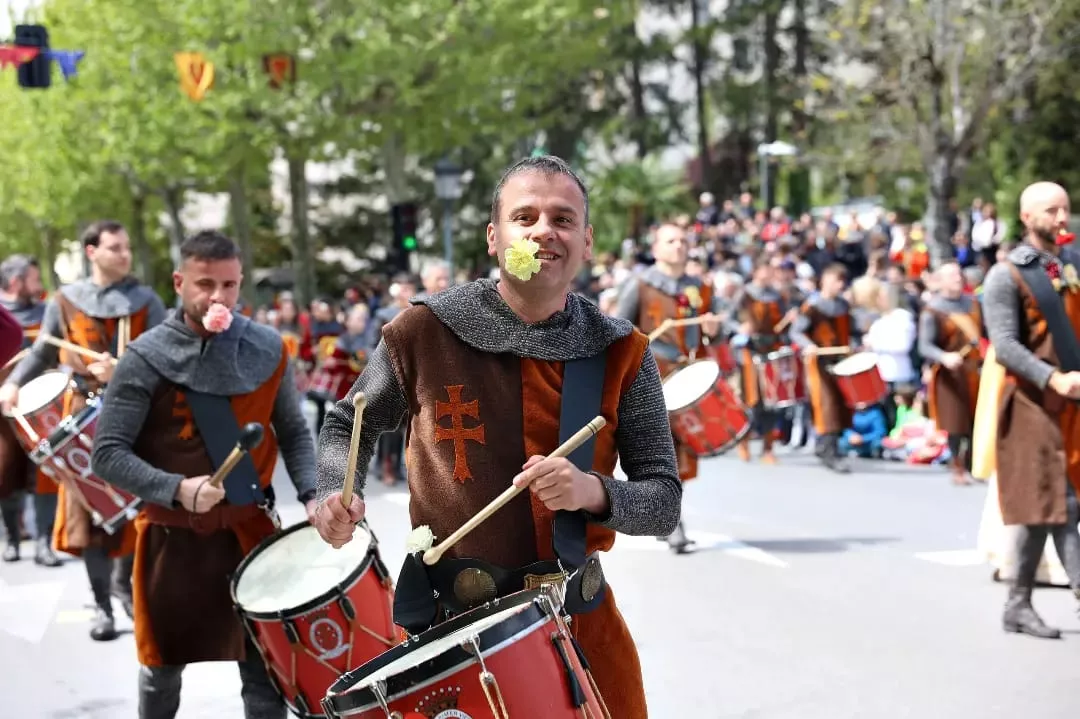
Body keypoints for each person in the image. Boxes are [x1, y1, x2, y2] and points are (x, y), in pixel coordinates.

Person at [314, 155, 681, 719]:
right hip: (453, 635)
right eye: (524, 216)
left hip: (581, 627)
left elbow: (663, 503)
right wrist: (334, 491)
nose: (543, 231)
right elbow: (347, 423)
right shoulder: (423, 330)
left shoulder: (622, 350)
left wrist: (593, 494)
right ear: (494, 236)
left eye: (563, 219)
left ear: (586, 241)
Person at [91, 230, 317, 718]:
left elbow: (295, 433)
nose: (219, 297)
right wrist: (175, 489)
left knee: (266, 677)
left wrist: (313, 494)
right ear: (179, 282)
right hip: (172, 540)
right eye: (205, 284)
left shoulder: (268, 347)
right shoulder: (144, 357)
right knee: (161, 676)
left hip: (250, 535)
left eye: (231, 285)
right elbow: (106, 454)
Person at [0, 221, 167, 640]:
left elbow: (170, 355)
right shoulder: (66, 300)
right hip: (80, 416)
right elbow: (43, 351)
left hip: (135, 414)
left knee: (133, 512)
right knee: (88, 514)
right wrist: (13, 384)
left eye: (127, 246)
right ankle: (102, 605)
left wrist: (125, 368)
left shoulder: (146, 301)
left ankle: (122, 585)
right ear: (92, 252)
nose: (124, 254)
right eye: (115, 247)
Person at [980, 181, 1080, 639]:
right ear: (1026, 218)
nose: (1062, 219)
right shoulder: (1006, 275)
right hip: (1032, 404)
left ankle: (1017, 605)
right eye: (1051, 211)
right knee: (1065, 501)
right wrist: (1051, 377)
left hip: (1074, 403)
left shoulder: (1073, 264)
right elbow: (1004, 346)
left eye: (1066, 209)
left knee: (1044, 508)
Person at [613, 222, 722, 553]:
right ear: (656, 248)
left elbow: (711, 333)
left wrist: (714, 330)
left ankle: (668, 517)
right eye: (670, 240)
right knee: (660, 450)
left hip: (687, 373)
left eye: (683, 240)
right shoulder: (640, 284)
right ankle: (669, 520)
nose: (678, 246)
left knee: (683, 449)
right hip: (652, 373)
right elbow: (620, 330)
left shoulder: (699, 287)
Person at [0, 254, 54, 564]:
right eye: (34, 278)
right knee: (6, 473)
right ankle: (13, 540)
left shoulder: (46, 313)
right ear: (16, 282)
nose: (40, 285)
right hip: (2, 411)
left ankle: (44, 543)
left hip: (40, 407)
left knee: (43, 475)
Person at [918, 261, 983, 485]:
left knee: (978, 420)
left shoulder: (973, 304)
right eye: (952, 275)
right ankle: (957, 465)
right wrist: (944, 357)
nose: (958, 278)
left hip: (976, 370)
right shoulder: (933, 310)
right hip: (951, 373)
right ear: (940, 281)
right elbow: (924, 345)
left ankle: (975, 464)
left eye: (959, 274)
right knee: (955, 423)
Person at [791, 263, 854, 472]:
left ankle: (827, 446)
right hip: (820, 363)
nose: (840, 285)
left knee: (842, 404)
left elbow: (851, 331)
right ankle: (829, 451)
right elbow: (796, 332)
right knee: (827, 405)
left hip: (841, 362)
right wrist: (808, 345)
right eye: (837, 280)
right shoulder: (812, 307)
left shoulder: (844, 306)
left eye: (842, 281)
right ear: (826, 280)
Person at [726, 259, 790, 464]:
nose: (768, 274)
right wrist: (740, 328)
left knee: (771, 401)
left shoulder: (778, 296)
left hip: (771, 350)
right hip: (749, 352)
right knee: (748, 399)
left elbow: (782, 324)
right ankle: (743, 443)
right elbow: (729, 318)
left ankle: (768, 448)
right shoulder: (745, 294)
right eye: (764, 269)